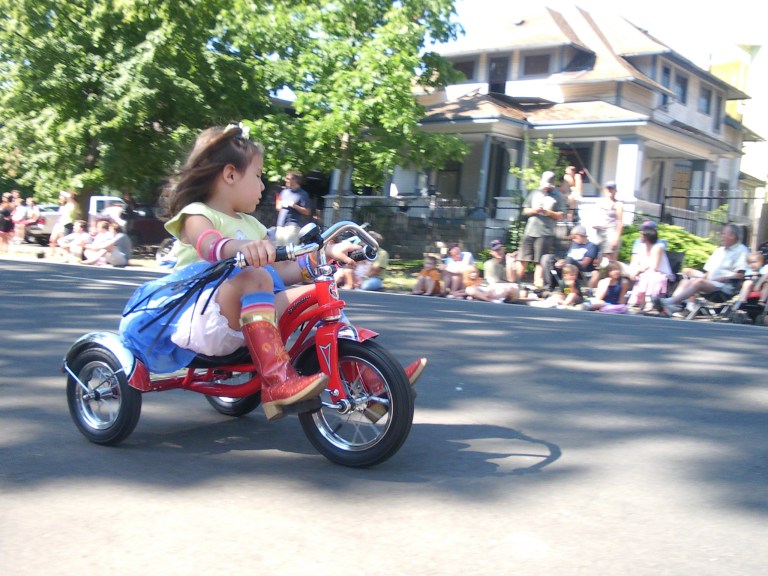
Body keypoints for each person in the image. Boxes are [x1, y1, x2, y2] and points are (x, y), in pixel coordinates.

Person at [654, 223, 749, 317]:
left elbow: (740, 275)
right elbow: (708, 272)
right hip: (711, 282)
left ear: (732, 236)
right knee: (685, 280)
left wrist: (723, 278)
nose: (721, 236)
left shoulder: (741, 251)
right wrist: (698, 277)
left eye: (724, 234)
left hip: (725, 286)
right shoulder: (719, 251)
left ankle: (669, 302)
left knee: (698, 282)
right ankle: (673, 306)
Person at [516, 170, 564, 288]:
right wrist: (535, 210)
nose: (546, 187)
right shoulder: (534, 193)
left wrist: (548, 212)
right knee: (522, 258)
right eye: (545, 184)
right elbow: (525, 210)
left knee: (540, 261)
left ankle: (537, 286)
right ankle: (515, 283)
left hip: (545, 233)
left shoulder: (558, 195)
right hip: (530, 230)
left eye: (549, 185)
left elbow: (561, 215)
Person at [627, 220, 675, 311]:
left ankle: (649, 302)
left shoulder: (659, 247)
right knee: (644, 275)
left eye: (642, 234)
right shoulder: (641, 246)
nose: (640, 235)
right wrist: (634, 271)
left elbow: (654, 266)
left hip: (660, 271)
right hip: (644, 270)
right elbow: (636, 261)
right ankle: (640, 302)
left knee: (650, 277)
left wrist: (639, 270)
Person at [544, 224, 600, 290]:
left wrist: (566, 262)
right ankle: (548, 287)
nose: (573, 239)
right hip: (567, 266)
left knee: (569, 260)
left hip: (580, 269)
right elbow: (567, 258)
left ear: (582, 236)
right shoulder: (574, 245)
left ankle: (566, 289)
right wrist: (560, 262)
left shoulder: (592, 246)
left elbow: (584, 264)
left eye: (575, 237)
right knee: (547, 258)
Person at [274, 170, 311, 246]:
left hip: (292, 227)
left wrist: (294, 205)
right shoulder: (284, 192)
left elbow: (307, 212)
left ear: (295, 180)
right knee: (278, 250)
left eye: (288, 178)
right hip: (280, 226)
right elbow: (278, 207)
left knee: (289, 251)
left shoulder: (303, 194)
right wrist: (279, 204)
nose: (285, 180)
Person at [592, 181, 623, 261]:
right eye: (608, 188)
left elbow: (620, 222)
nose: (609, 190)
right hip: (600, 233)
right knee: (600, 260)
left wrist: (616, 238)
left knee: (610, 260)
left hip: (611, 232)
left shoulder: (618, 204)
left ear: (615, 190)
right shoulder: (599, 202)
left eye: (612, 188)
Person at [49, 192, 84, 256]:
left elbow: (78, 214)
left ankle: (67, 253)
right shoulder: (68, 204)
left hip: (69, 223)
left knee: (66, 239)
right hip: (63, 223)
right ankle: (62, 253)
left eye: (69, 196)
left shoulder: (74, 204)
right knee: (62, 239)